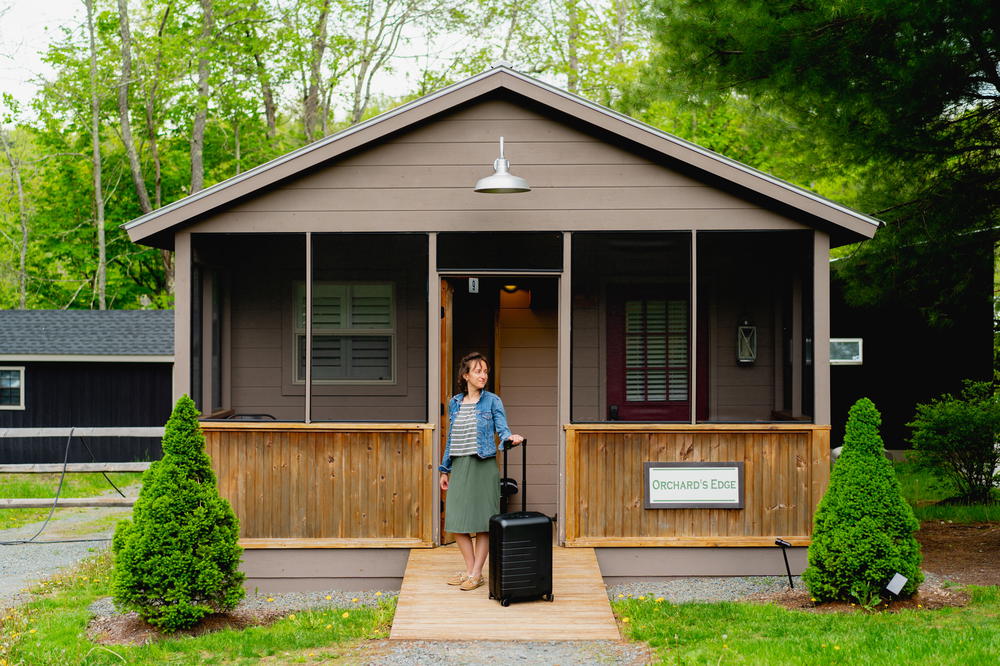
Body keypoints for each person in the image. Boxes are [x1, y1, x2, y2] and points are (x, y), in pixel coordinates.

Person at [438, 352, 524, 591]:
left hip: (483, 465)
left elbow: (502, 428)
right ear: (465, 375)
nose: (483, 375)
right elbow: (451, 438)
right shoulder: (455, 402)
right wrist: (444, 470)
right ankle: (470, 570)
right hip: (460, 465)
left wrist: (510, 438)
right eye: (478, 371)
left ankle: (475, 573)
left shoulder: (492, 401)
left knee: (483, 523)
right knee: (456, 522)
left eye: (485, 371)